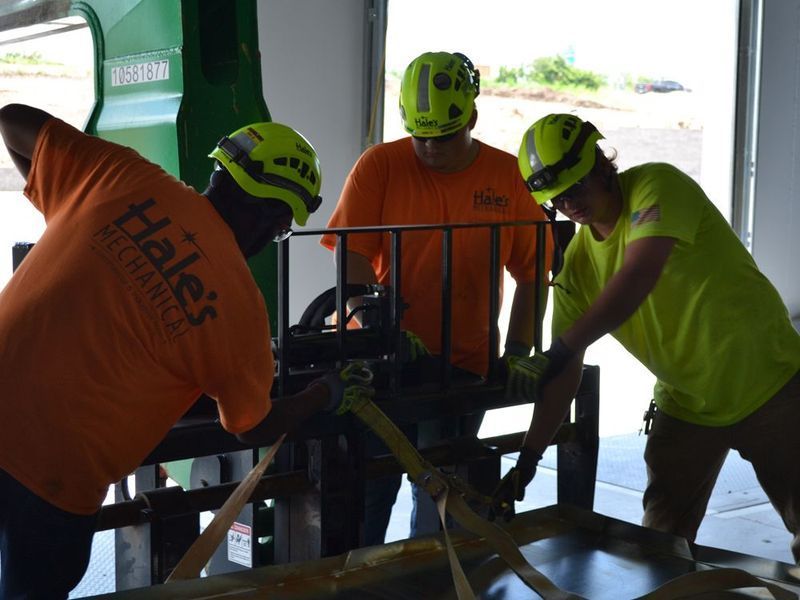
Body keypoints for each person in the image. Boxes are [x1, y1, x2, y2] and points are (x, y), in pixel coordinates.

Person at [0, 103, 370, 599]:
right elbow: (250, 425)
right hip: (53, 481)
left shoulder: (122, 174)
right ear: (273, 220)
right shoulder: (239, 310)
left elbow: (12, 121)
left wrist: (54, 201)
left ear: (222, 169)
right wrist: (323, 393)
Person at [493, 113, 800, 562]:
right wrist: (529, 459)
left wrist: (557, 349)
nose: (569, 205)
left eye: (575, 188)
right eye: (557, 200)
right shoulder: (578, 266)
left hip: (770, 384)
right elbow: (564, 373)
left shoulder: (657, 186)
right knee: (658, 551)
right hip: (686, 406)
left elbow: (638, 274)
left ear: (600, 165)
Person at [320, 52, 554, 546]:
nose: (429, 147)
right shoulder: (380, 166)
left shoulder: (508, 177)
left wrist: (517, 352)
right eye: (419, 133)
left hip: (461, 366)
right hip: (377, 366)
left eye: (443, 135)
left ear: (470, 117)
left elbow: (534, 275)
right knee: (366, 493)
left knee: (443, 497)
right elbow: (352, 258)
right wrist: (378, 331)